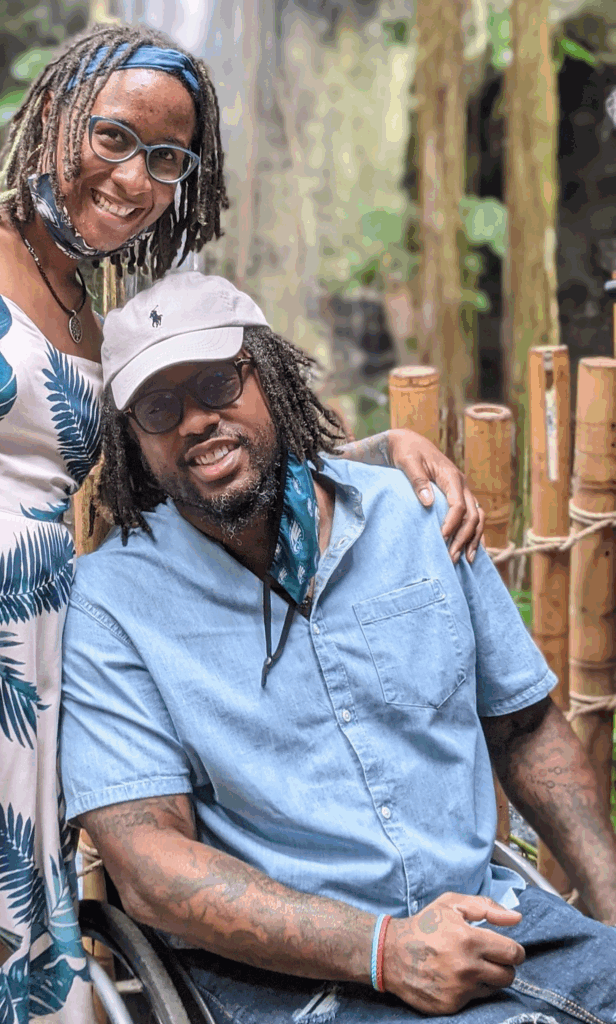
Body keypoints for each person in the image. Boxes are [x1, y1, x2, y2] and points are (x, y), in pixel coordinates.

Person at [0, 23, 482, 1024]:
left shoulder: (87, 310)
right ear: (51, 116)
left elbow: (178, 469)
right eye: (113, 137)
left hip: (25, 710)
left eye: (167, 159)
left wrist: (366, 460)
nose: (136, 178)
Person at [60, 271, 616, 1024]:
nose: (195, 420)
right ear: (134, 441)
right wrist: (386, 948)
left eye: (219, 381)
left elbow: (525, 727)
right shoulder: (112, 602)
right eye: (160, 406)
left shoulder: (419, 515)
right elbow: (151, 866)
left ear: (271, 374)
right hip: (294, 982)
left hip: (497, 919)